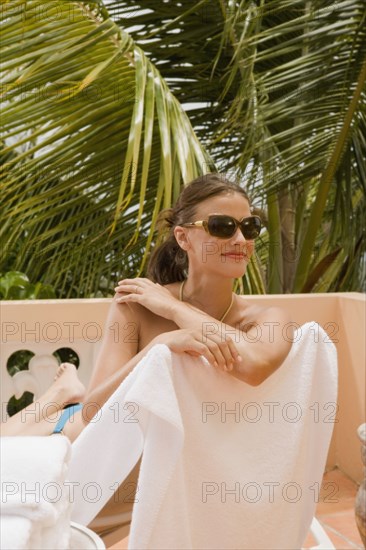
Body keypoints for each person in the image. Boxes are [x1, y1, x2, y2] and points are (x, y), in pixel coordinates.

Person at [1, 174, 293, 442]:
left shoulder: (266, 318)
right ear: (183, 237)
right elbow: (92, 412)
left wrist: (175, 310)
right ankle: (60, 393)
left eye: (249, 226)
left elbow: (255, 366)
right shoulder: (137, 305)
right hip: (75, 432)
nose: (240, 240)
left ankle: (63, 391)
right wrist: (159, 345)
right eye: (222, 227)